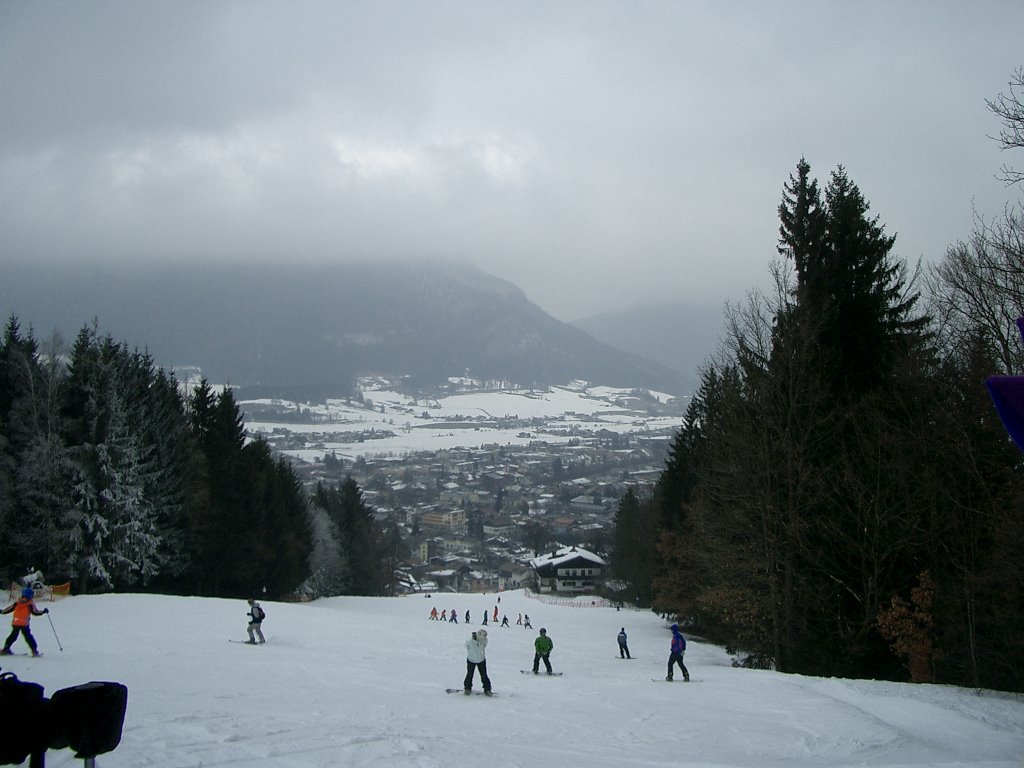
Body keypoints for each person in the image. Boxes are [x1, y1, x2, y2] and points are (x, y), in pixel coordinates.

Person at [0, 587, 48, 656]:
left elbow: (9, 609)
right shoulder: (30, 604)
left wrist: (2, 611)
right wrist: (43, 612)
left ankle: (6, 649)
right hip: (24, 624)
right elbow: (35, 612)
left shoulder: (17, 603)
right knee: (28, 637)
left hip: (16, 623)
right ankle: (34, 651)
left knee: (13, 636)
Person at [463, 628, 492, 695]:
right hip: (471, 660)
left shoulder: (485, 640)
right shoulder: (469, 641)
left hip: (481, 660)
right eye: (483, 636)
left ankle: (487, 689)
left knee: (484, 675)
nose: (485, 637)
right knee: (469, 675)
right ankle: (467, 688)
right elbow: (466, 646)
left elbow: (482, 647)